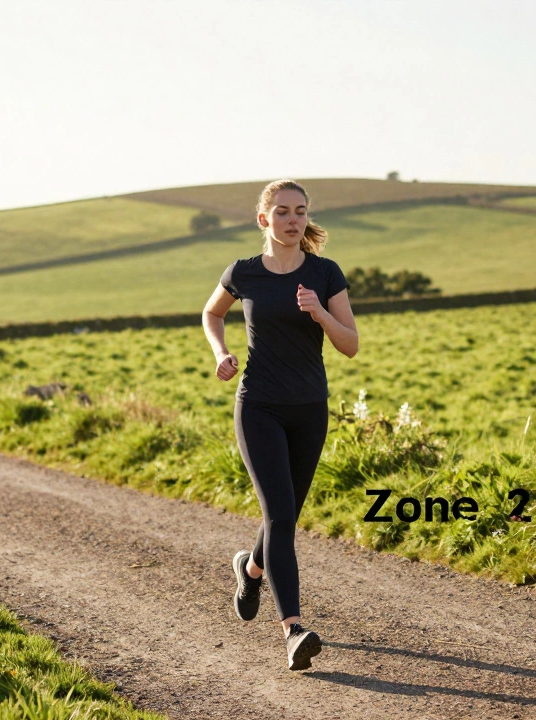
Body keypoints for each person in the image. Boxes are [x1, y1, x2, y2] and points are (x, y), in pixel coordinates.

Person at [201, 179, 359, 671]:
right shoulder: (244, 273)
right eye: (284, 212)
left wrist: (319, 314)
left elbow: (351, 343)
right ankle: (293, 629)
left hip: (310, 409)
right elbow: (211, 312)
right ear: (264, 219)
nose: (293, 220)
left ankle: (250, 570)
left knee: (285, 514)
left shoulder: (325, 273)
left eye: (301, 212)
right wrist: (222, 353)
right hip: (259, 406)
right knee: (282, 518)